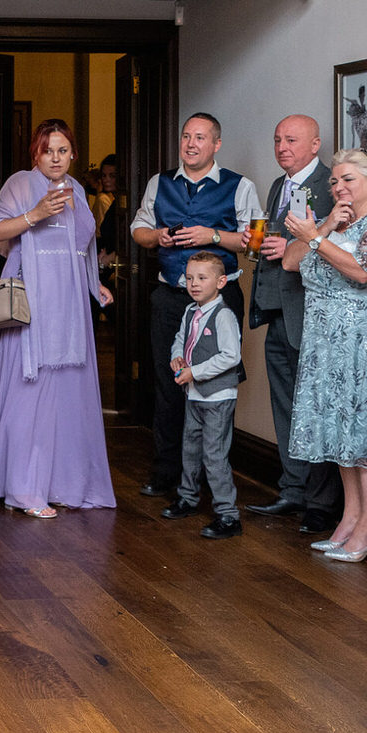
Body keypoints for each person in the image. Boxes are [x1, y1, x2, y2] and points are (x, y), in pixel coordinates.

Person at [0, 121, 116, 518]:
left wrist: (95, 286)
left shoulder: (79, 191)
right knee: (28, 396)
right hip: (30, 302)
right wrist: (35, 213)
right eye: (47, 150)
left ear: (72, 154)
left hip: (68, 302)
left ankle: (61, 484)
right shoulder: (20, 184)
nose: (56, 157)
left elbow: (81, 248)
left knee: (65, 397)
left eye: (63, 150)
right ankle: (24, 489)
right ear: (35, 154)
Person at [128, 113, 264, 500]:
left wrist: (213, 235)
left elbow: (255, 242)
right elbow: (138, 230)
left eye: (200, 138)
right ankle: (167, 471)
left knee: (214, 381)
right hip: (170, 296)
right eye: (186, 136)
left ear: (216, 145)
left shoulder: (240, 186)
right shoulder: (160, 182)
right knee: (168, 380)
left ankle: (212, 477)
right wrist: (157, 237)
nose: (190, 144)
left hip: (221, 302)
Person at [282, 149, 367, 563]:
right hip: (326, 344)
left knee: (366, 433)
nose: (339, 188)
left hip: (366, 343)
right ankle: (350, 518)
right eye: (334, 181)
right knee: (340, 432)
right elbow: (289, 261)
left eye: (348, 179)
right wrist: (323, 227)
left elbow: (363, 271)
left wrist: (317, 239)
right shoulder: (332, 223)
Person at [247, 115, 344, 535]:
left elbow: (338, 242)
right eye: (277, 139)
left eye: (291, 139)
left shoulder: (331, 184)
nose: (282, 146)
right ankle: (292, 487)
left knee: (314, 408)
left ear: (315, 143)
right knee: (285, 404)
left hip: (309, 312)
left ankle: (321, 501)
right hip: (275, 308)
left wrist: (292, 246)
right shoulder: (277, 185)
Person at [163, 251, 244, 539]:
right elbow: (180, 340)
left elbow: (230, 356)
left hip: (218, 396)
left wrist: (194, 372)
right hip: (195, 395)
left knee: (214, 454)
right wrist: (177, 357)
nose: (194, 284)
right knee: (191, 449)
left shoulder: (223, 316)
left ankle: (227, 514)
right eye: (189, 278)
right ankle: (188, 497)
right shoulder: (190, 311)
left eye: (202, 278)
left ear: (221, 281)